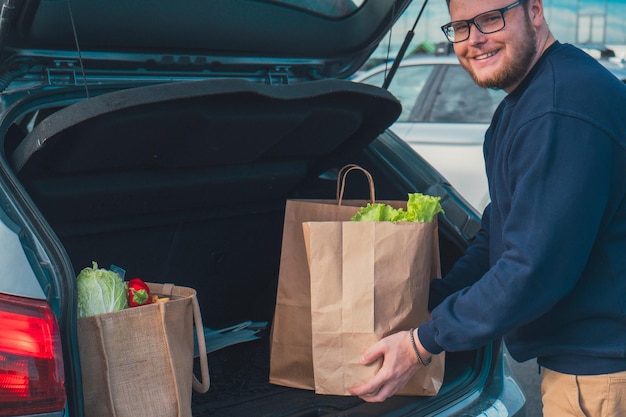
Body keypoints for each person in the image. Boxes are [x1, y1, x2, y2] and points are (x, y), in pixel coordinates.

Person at [349, 0, 626, 415]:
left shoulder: (558, 109)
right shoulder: (525, 103)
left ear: (534, 11)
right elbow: (496, 235)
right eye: (460, 26)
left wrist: (423, 342)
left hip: (600, 376)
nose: (474, 39)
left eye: (490, 18)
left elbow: (532, 271)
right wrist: (428, 304)